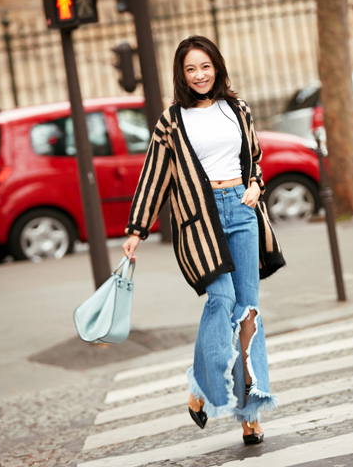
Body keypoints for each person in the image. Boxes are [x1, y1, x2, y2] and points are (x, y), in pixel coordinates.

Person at [122, 35, 286, 445]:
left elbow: (255, 159)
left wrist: (253, 185)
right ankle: (204, 385)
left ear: (217, 67)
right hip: (200, 219)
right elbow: (154, 176)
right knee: (222, 299)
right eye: (190, 68)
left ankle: (250, 413)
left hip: (242, 211)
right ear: (181, 73)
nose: (199, 75)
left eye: (205, 66)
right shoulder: (171, 121)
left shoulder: (238, 109)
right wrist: (137, 230)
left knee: (248, 311)